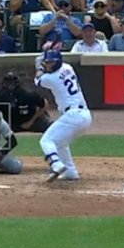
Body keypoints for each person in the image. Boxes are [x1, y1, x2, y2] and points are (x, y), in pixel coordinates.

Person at [34, 49, 93, 182]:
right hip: (85, 115)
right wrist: (45, 62)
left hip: (73, 115)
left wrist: (39, 66)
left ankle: (56, 164)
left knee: (46, 140)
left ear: (56, 62)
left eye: (50, 62)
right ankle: (70, 172)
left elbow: (38, 80)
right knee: (61, 143)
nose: (48, 64)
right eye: (47, 62)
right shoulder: (68, 67)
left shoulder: (52, 79)